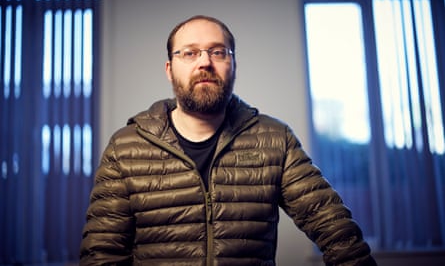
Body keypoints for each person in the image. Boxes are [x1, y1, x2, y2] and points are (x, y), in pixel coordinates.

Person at [79, 15, 377, 266]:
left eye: (218, 51)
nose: (205, 62)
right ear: (170, 70)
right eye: (189, 52)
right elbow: (103, 254)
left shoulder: (274, 140)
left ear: (233, 65)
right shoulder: (127, 146)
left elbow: (336, 231)